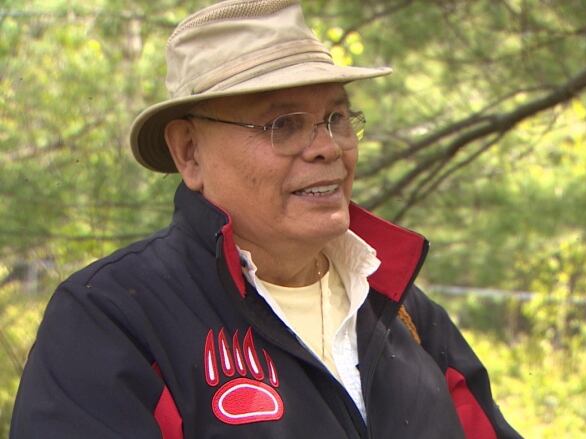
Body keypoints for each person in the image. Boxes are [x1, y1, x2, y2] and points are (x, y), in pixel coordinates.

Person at [11, 1, 522, 438]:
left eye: (337, 118)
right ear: (189, 152)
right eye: (283, 124)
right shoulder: (113, 318)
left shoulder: (404, 312)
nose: (327, 148)